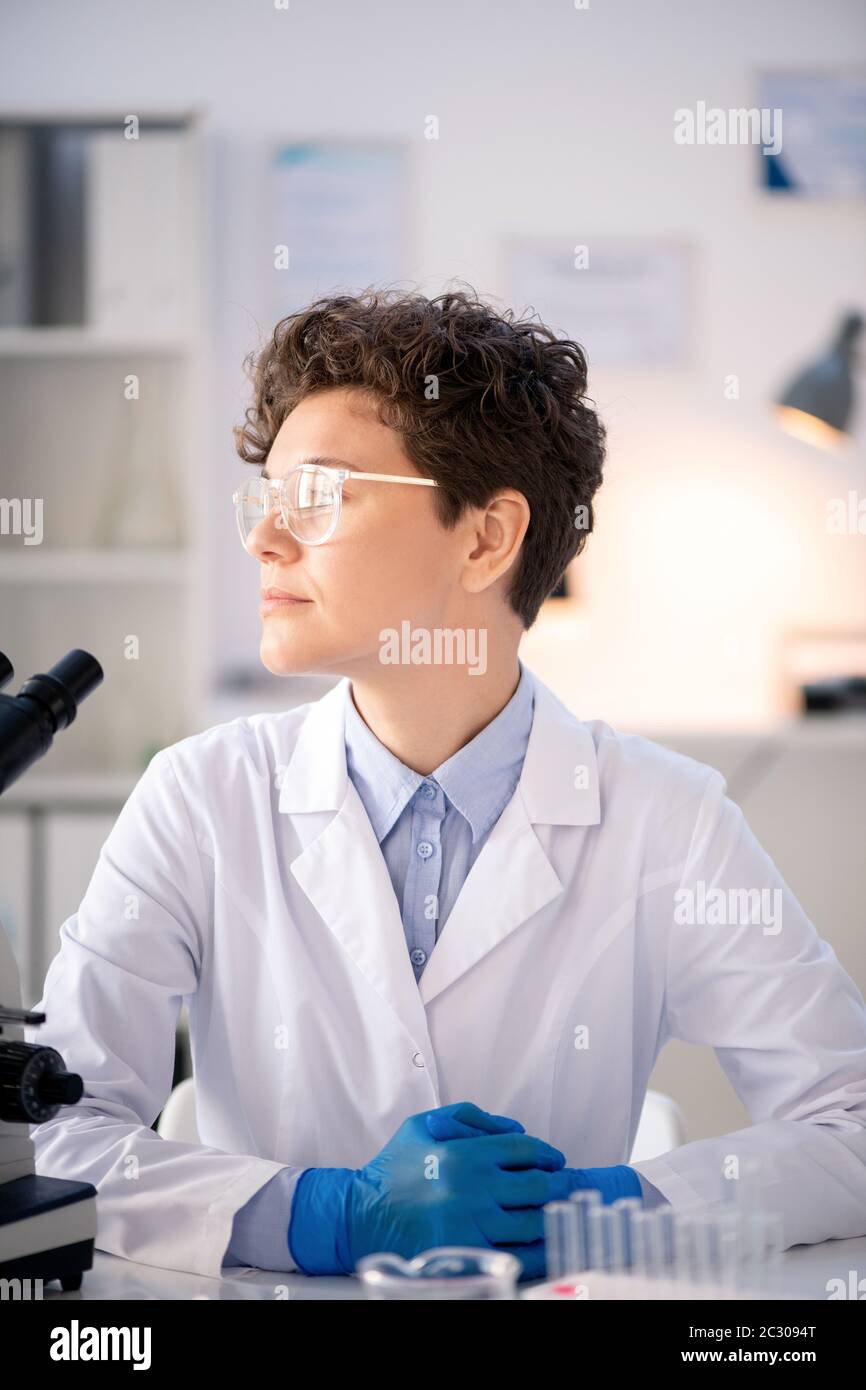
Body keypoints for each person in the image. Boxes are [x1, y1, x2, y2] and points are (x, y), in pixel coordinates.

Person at [27, 287, 866, 1282]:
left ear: (483, 538)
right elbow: (51, 1130)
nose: (262, 539)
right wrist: (325, 1215)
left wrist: (604, 1207)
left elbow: (846, 1122)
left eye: (320, 497)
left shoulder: (666, 817)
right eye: (265, 497)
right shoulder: (201, 796)